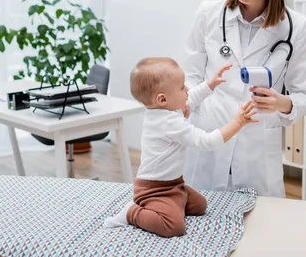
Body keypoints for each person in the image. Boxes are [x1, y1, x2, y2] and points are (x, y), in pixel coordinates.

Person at [182, 0, 306, 198]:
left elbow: (305, 95)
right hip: (209, 137)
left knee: (260, 230)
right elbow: (191, 76)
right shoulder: (208, 14)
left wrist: (281, 103)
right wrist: (187, 103)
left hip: (258, 153)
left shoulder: (297, 28)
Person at [103, 57, 258, 238]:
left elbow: (190, 98)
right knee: (173, 227)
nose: (187, 90)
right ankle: (131, 213)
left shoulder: (165, 108)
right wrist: (237, 122)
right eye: (182, 87)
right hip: (153, 190)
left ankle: (174, 201)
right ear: (162, 99)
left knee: (200, 206)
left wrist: (210, 85)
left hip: (174, 184)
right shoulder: (168, 122)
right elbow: (206, 141)